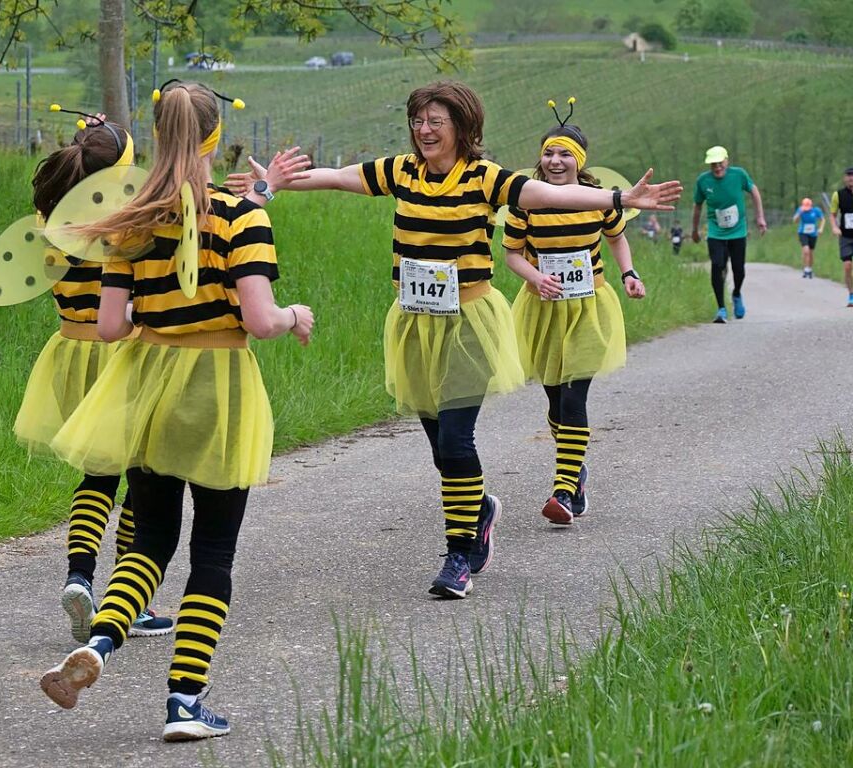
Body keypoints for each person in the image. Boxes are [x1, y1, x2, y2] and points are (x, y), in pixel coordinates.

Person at [227, 82, 681, 598]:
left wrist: (621, 197)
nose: (424, 130)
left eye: (435, 121)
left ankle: (459, 555)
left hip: (470, 322)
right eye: (418, 121)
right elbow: (338, 177)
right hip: (415, 322)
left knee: (455, 440)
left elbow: (552, 194)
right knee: (442, 450)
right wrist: (279, 183)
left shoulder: (484, 178)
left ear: (463, 128)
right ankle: (479, 507)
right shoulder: (400, 171)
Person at [36, 81, 313, 742]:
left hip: (148, 388)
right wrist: (295, 315)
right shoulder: (243, 216)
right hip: (219, 391)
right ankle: (184, 701)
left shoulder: (131, 220)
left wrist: (158, 318)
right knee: (212, 551)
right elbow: (259, 318)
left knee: (151, 539)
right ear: (215, 139)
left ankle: (99, 645)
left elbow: (108, 328)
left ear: (158, 136)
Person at [12, 112, 174, 642]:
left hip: (69, 353)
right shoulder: (128, 224)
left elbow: (92, 164)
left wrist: (95, 140)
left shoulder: (47, 213)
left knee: (96, 476)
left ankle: (79, 575)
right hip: (121, 357)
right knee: (142, 481)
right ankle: (129, 601)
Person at [503, 110, 645, 525]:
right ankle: (575, 466)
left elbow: (617, 237)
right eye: (549, 153)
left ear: (580, 161)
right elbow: (512, 253)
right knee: (553, 398)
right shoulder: (525, 201)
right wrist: (536, 277)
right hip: (541, 308)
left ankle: (563, 490)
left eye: (565, 154)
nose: (556, 161)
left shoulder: (597, 201)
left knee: (573, 396)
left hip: (588, 305)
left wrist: (629, 273)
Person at [691, 145, 767, 323]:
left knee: (738, 269)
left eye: (720, 163)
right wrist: (694, 230)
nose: (717, 167)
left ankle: (737, 293)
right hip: (716, 231)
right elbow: (697, 206)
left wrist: (760, 217)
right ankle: (721, 309)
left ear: (727, 161)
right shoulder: (703, 181)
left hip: (738, 230)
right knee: (717, 266)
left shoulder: (738, 174)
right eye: (713, 164)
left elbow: (754, 191)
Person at [828, 167, 853, 307]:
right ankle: (851, 294)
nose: (851, 178)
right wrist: (834, 227)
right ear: (845, 178)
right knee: (847, 265)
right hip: (846, 236)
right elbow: (832, 214)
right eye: (848, 175)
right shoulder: (838, 195)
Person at [793, 197, 825, 278]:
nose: (806, 209)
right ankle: (805, 268)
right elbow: (795, 221)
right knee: (806, 250)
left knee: (811, 252)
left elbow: (823, 219)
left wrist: (821, 228)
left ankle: (809, 269)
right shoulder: (800, 210)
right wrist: (799, 214)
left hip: (813, 233)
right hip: (803, 233)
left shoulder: (816, 210)